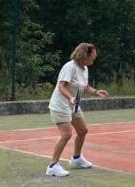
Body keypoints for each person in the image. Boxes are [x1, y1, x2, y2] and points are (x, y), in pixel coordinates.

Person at [46, 42, 109, 177]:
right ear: (84, 55)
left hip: (73, 105)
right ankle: (52, 166)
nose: (95, 57)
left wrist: (96, 92)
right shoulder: (70, 67)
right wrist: (70, 98)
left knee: (82, 130)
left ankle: (76, 159)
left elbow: (84, 86)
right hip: (60, 105)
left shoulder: (84, 68)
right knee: (66, 134)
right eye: (93, 55)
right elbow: (61, 86)